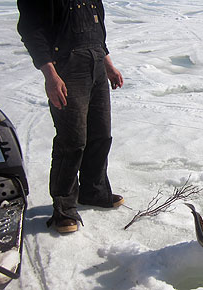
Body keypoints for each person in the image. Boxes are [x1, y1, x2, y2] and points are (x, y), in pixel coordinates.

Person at [17, 0, 125, 233]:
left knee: (101, 134)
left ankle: (93, 191)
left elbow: (98, 33)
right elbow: (31, 31)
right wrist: (50, 76)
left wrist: (108, 65)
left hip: (95, 64)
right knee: (72, 140)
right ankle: (63, 209)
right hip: (66, 68)